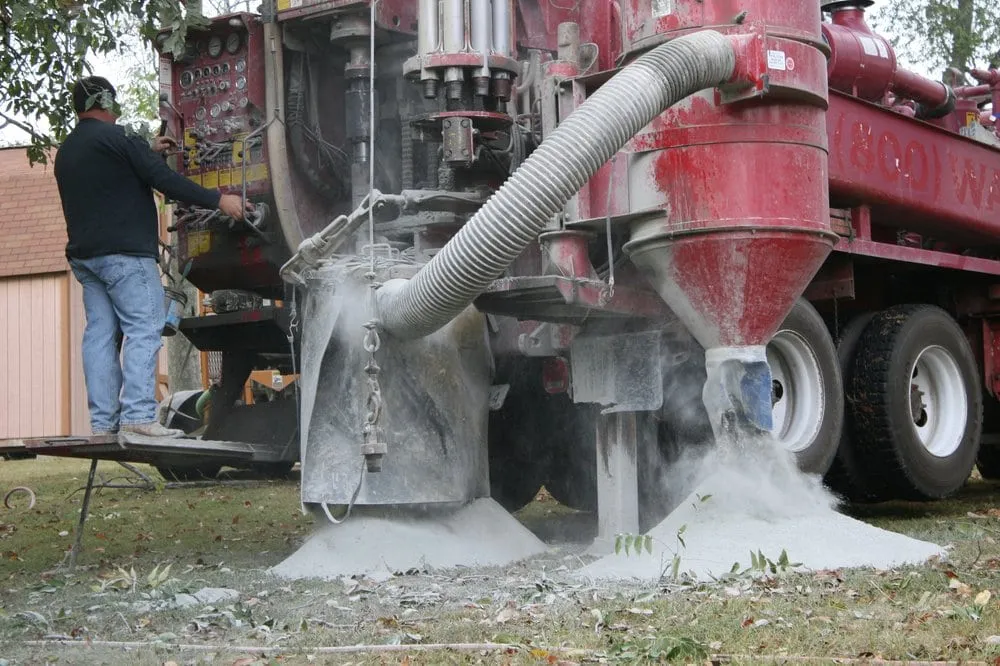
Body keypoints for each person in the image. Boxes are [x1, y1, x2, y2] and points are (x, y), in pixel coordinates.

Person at [54, 76, 250, 438]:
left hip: (86, 259)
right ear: (106, 101)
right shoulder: (120, 138)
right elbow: (163, 180)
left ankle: (102, 425)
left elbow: (112, 170)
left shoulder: (69, 150)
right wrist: (220, 200)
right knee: (143, 330)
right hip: (126, 257)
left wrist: (146, 149)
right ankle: (140, 417)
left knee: (99, 336)